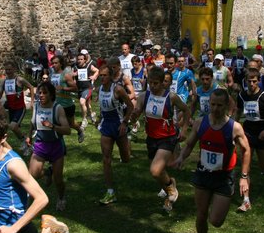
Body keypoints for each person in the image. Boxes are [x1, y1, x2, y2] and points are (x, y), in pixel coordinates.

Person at [172, 89, 251, 233]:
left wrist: (244, 176)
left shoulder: (234, 128)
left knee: (215, 221)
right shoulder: (200, 123)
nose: (215, 108)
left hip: (224, 177)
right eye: (212, 104)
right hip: (203, 173)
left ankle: (219, 205)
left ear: (226, 106)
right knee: (201, 214)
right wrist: (181, 158)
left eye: (219, 105)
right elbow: (190, 144)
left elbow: (246, 150)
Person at [131, 66, 191, 212]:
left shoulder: (171, 97)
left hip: (167, 138)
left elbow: (186, 110)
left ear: (162, 82)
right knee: (159, 174)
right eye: (150, 83)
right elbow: (136, 113)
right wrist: (134, 116)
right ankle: (170, 191)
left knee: (155, 170)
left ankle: (171, 189)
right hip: (151, 138)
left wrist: (184, 129)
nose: (152, 86)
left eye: (156, 83)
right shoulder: (143, 96)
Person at [236, 68, 264, 205]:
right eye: (249, 81)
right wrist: (232, 127)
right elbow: (237, 113)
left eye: (254, 81)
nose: (251, 84)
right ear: (245, 81)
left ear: (259, 81)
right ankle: (246, 199)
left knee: (263, 166)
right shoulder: (242, 96)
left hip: (263, 132)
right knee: (246, 167)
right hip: (247, 132)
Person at [27, 82, 71, 212]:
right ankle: (47, 172)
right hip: (40, 144)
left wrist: (52, 126)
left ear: (51, 95)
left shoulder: (58, 108)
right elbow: (32, 122)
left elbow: (67, 130)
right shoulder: (36, 106)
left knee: (58, 180)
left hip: (56, 145)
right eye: (39, 93)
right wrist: (29, 136)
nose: (41, 95)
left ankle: (61, 198)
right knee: (32, 174)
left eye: (44, 93)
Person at [97, 65, 135, 204]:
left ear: (111, 76)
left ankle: (128, 141)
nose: (102, 78)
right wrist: (99, 119)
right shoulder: (99, 89)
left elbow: (130, 106)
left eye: (105, 75)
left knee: (126, 158)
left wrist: (125, 122)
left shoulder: (117, 89)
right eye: (101, 75)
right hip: (106, 126)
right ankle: (110, 191)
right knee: (106, 159)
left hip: (119, 126)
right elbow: (102, 107)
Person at [0, 61, 34, 156]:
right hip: (11, 108)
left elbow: (31, 87)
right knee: (14, 128)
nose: (8, 71)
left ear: (14, 69)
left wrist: (32, 101)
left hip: (20, 108)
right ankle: (25, 140)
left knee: (13, 126)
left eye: (10, 69)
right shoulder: (3, 81)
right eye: (6, 70)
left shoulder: (19, 80)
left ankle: (27, 144)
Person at [49, 55, 84, 143]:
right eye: (53, 63)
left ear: (61, 64)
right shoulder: (52, 75)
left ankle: (80, 130)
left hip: (66, 104)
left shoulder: (66, 75)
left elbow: (75, 88)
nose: (54, 65)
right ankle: (58, 144)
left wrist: (63, 88)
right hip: (55, 104)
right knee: (57, 124)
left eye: (56, 63)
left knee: (71, 124)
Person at [74, 52, 99, 130]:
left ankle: (84, 120)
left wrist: (94, 76)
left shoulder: (89, 66)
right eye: (78, 59)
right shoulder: (76, 67)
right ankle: (92, 115)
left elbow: (97, 70)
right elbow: (72, 76)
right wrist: (74, 75)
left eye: (81, 59)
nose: (79, 61)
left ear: (85, 60)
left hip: (88, 88)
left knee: (82, 102)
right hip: (80, 89)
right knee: (87, 105)